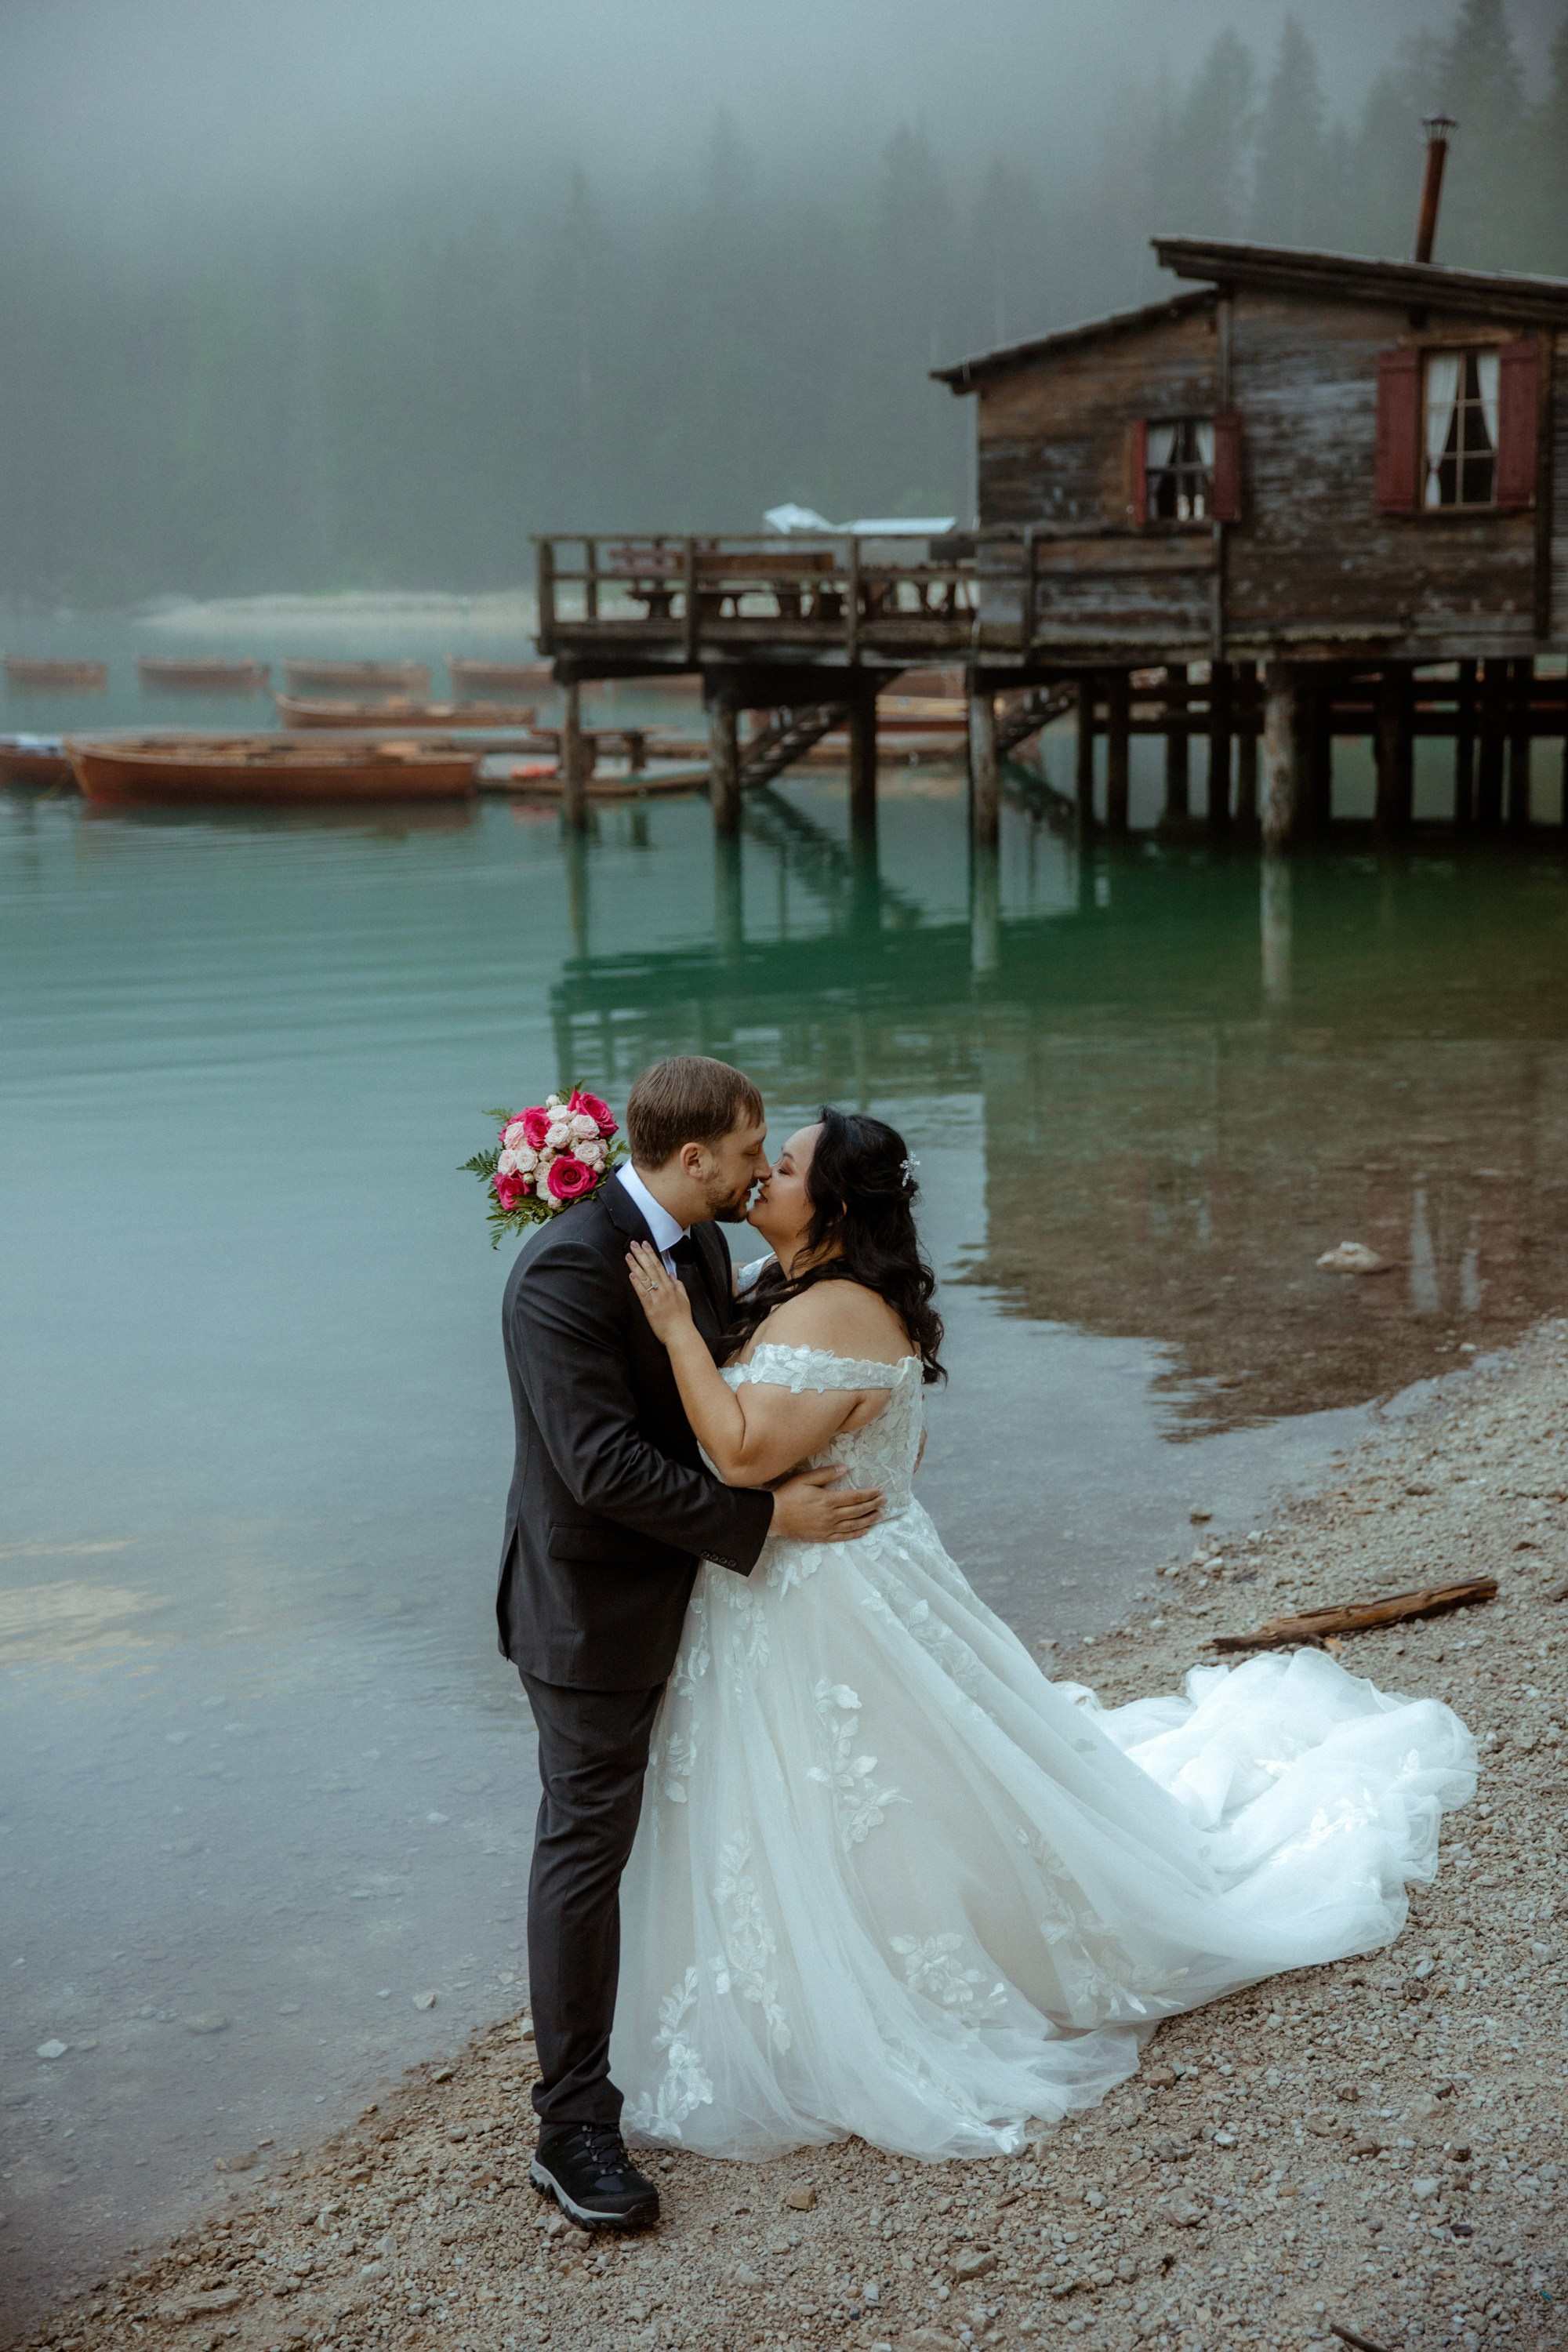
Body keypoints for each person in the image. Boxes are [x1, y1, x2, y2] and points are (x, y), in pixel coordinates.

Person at [612, 1105, 1477, 2160]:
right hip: (826, 1579)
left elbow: (743, 1456)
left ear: (830, 1204)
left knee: (875, 1793)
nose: (761, 1179)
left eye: (781, 1165)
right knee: (861, 1785)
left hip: (832, 1599)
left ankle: (878, 1981)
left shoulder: (834, 1308)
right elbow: (886, 1455)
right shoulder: (795, 1293)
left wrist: (670, 1336)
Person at [498, 1057, 885, 2230]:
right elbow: (599, 1468)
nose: (766, 1165)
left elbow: (727, 1396)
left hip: (714, 1604)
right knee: (587, 1847)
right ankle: (572, 2127)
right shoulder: (558, 1275)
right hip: (593, 1614)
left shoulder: (710, 1245)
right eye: (753, 1146)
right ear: (694, 1158)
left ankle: (756, 2020)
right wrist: (764, 1523)